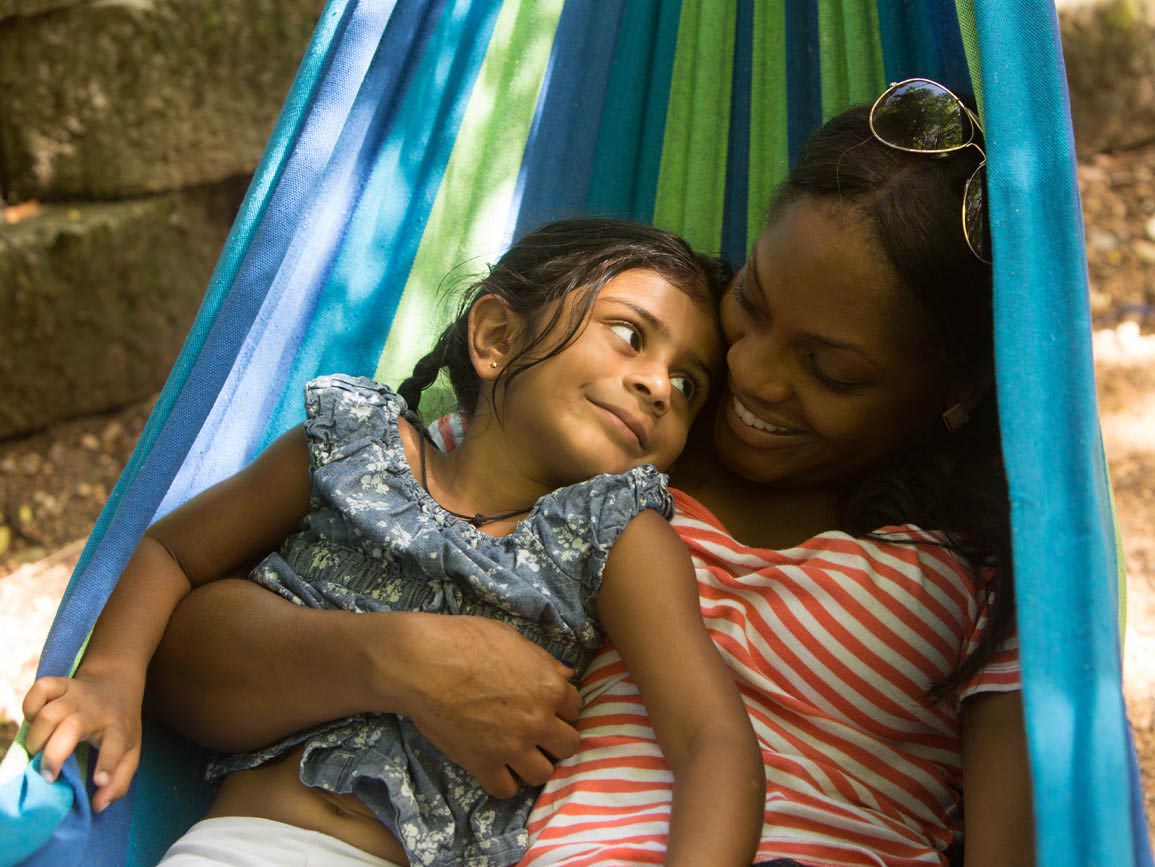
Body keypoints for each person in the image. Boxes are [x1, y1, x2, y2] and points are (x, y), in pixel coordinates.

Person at [86, 81, 1030, 865]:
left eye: (829, 369)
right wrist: (401, 656)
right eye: (751, 299)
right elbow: (193, 626)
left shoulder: (982, 566)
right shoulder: (579, 442)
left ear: (953, 391)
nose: (746, 371)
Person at [21, 219, 766, 867]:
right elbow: (172, 554)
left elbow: (712, 740)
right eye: (631, 336)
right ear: (497, 336)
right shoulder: (355, 447)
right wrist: (112, 676)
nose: (660, 387)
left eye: (688, 385)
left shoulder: (617, 537)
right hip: (239, 842)